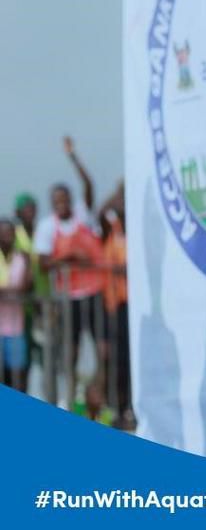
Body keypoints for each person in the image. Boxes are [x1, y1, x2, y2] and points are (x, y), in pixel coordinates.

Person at [34, 137, 105, 407]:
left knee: (102, 350)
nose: (61, 203)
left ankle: (99, 399)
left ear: (70, 200)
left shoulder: (82, 215)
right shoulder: (46, 227)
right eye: (56, 200)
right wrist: (69, 257)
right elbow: (42, 263)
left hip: (93, 293)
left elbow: (89, 185)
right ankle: (71, 397)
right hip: (68, 297)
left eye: (65, 199)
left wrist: (74, 157)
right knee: (71, 352)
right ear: (52, 203)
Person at [98, 180, 133, 429]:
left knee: (133, 360)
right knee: (118, 361)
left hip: (137, 307)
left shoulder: (139, 233)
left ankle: (132, 407)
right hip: (117, 306)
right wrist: (118, 191)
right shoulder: (112, 231)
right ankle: (120, 408)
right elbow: (101, 212)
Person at [13, 193, 48, 378]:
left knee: (47, 358)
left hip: (44, 303)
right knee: (23, 361)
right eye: (26, 208)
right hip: (21, 309)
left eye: (32, 207)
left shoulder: (42, 231)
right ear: (17, 212)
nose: (30, 211)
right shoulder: (12, 235)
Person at [0, 217, 31, 391]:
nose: (7, 236)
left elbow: (25, 288)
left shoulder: (22, 259)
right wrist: (13, 290)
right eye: (3, 232)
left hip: (15, 328)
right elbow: (16, 289)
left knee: (18, 376)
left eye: (10, 232)